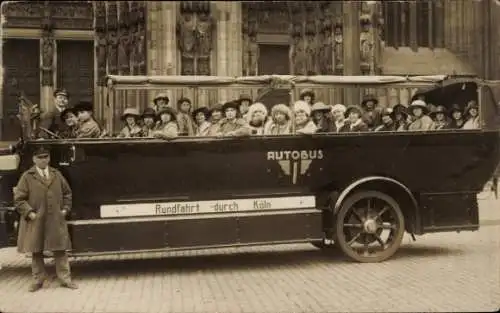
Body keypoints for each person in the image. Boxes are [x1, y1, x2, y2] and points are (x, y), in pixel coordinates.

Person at [13, 146, 77, 292]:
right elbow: (19, 199)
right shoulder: (27, 176)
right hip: (36, 219)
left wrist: (65, 210)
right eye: (40, 157)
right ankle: (38, 280)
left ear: (49, 158)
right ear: (34, 159)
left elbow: (67, 193)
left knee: (60, 249)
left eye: (46, 157)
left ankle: (65, 280)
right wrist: (29, 213)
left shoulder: (56, 174)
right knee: (36, 251)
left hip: (55, 218)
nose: (43, 160)